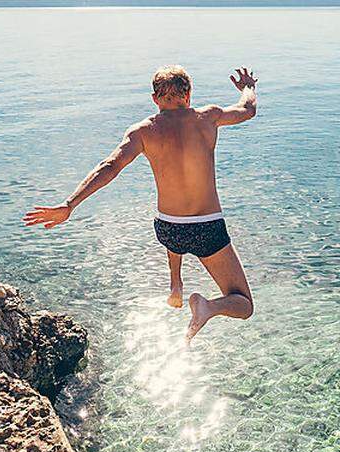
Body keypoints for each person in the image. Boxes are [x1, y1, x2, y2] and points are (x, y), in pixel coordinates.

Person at [23, 65, 258, 342]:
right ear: (189, 94)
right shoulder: (208, 117)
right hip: (208, 230)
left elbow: (109, 167)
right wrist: (247, 87)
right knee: (243, 304)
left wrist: (69, 204)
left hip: (169, 230)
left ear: (155, 98)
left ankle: (175, 283)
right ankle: (208, 306)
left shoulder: (143, 131)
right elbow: (248, 109)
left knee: (173, 229)